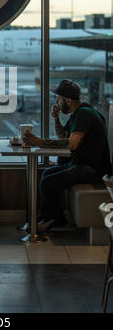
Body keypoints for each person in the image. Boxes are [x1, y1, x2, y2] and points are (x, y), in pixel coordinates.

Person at [23, 79, 112, 233]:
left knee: (48, 183)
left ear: (68, 100)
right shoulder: (78, 113)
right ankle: (48, 216)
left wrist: (40, 142)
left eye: (58, 98)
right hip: (82, 164)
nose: (56, 102)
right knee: (47, 174)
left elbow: (72, 143)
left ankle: (55, 219)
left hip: (93, 169)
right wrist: (56, 118)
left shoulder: (84, 114)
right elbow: (63, 135)